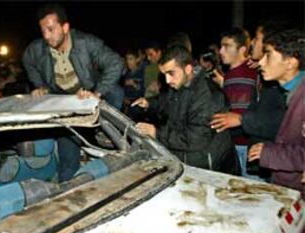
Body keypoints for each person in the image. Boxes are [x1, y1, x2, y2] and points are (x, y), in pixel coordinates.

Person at [22, 3, 124, 182]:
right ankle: (67, 187)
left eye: (51, 29)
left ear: (65, 27)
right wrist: (40, 86)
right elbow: (27, 62)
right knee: (67, 164)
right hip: (65, 102)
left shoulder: (87, 43)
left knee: (115, 92)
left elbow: (116, 63)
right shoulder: (35, 50)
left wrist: (97, 93)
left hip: (88, 95)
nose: (46, 36)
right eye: (43, 31)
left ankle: (104, 130)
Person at [132, 45, 239, 174]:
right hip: (191, 159)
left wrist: (157, 134)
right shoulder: (180, 83)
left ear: (188, 69)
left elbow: (195, 139)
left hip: (210, 167)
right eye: (164, 74)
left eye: (171, 73)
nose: (167, 80)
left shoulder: (208, 96)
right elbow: (166, 101)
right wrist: (149, 103)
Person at [248, 28, 305, 192]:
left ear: (291, 62)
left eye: (268, 55)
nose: (261, 62)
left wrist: (270, 154)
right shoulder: (292, 92)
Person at [214, 27, 259, 178]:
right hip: (233, 144)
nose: (221, 51)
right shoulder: (229, 75)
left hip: (247, 147)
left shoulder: (254, 71)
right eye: (221, 46)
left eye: (227, 46)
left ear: (242, 49)